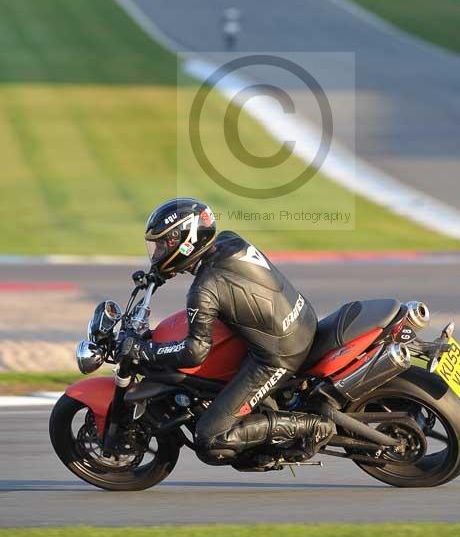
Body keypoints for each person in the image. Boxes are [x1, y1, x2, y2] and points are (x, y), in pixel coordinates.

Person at [123, 197, 334, 466]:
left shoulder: (204, 290)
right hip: (299, 320)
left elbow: (194, 352)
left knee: (211, 438)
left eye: (165, 244)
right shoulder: (228, 241)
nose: (159, 252)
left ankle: (314, 426)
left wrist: (144, 349)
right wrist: (161, 274)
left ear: (187, 241)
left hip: (278, 354)